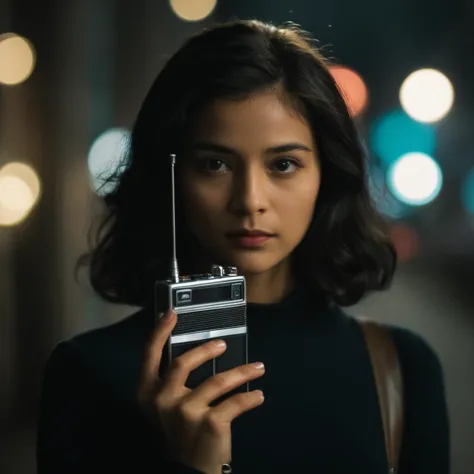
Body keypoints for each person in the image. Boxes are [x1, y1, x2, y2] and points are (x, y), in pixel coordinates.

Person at [36, 19, 449, 474]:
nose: (250, 200)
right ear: (170, 176)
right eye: (215, 164)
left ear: (326, 175)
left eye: (284, 164)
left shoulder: (401, 370)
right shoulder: (89, 374)